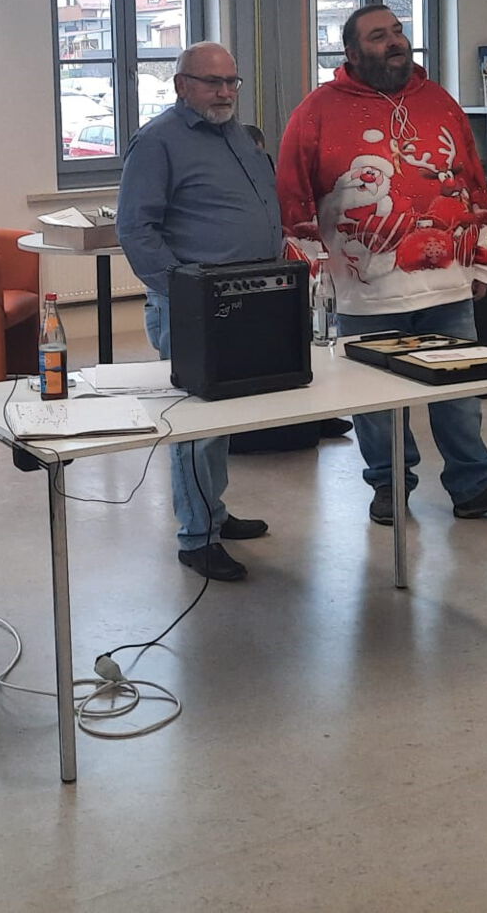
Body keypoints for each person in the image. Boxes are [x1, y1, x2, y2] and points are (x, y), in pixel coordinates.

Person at [277, 5, 487, 525]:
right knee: (375, 400)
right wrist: (312, 276)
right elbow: (293, 197)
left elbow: (473, 181)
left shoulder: (439, 101)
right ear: (352, 52)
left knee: (459, 390)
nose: (394, 41)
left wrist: (483, 260)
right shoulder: (316, 111)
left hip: (447, 284)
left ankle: (473, 483)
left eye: (397, 31)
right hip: (365, 290)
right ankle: (389, 486)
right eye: (378, 36)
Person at [116, 41, 279, 581]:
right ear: (182, 85)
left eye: (232, 81)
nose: (225, 92)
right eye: (213, 82)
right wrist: (183, 294)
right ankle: (196, 536)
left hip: (247, 301)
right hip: (193, 309)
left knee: (221, 418)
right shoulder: (157, 142)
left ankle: (214, 511)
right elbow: (135, 229)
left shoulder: (236, 135)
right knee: (195, 424)